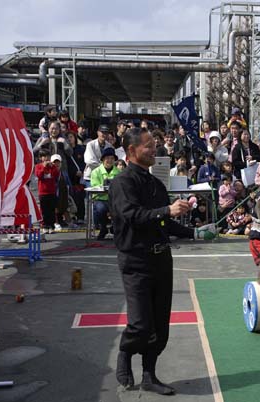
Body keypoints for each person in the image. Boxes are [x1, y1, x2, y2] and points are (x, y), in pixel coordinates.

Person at [109, 127, 213, 394]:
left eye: (154, 145)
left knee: (159, 325)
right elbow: (133, 215)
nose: (154, 149)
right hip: (135, 260)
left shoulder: (155, 183)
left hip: (161, 260)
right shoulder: (122, 183)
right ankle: (125, 349)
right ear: (132, 151)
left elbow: (163, 223)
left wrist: (195, 233)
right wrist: (167, 210)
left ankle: (149, 374)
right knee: (141, 324)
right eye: (148, 146)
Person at [90, 148, 121, 240]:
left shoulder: (118, 172)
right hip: (100, 198)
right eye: (107, 158)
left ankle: (114, 228)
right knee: (101, 209)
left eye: (112, 158)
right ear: (103, 159)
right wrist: (104, 186)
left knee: (121, 208)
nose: (110, 160)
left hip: (114, 199)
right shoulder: (95, 172)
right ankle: (103, 228)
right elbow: (94, 186)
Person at [35, 150, 60, 234]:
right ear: (40, 158)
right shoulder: (38, 166)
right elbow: (39, 175)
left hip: (52, 192)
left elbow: (55, 174)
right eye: (44, 156)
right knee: (44, 210)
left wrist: (53, 166)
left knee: (52, 210)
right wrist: (44, 167)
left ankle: (51, 226)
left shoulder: (52, 167)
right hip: (43, 192)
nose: (46, 158)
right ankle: (44, 225)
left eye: (47, 156)